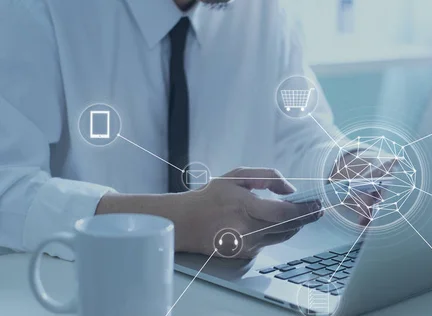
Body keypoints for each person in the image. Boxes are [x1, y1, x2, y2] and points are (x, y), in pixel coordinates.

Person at [0, 0, 382, 260]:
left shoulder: (265, 10)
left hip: (227, 309)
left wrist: (347, 167)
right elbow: (8, 189)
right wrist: (174, 222)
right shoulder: (36, 9)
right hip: (80, 308)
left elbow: (298, 135)